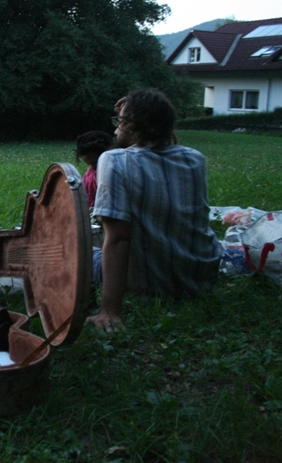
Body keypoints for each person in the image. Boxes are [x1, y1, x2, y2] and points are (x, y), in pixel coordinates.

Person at [87, 89, 222, 333]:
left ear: (133, 126)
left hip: (149, 282)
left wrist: (109, 311)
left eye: (120, 121)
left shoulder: (114, 160)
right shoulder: (195, 159)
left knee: (72, 248)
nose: (116, 128)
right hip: (199, 278)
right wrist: (136, 107)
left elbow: (118, 239)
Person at [74, 130, 114, 208]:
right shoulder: (90, 174)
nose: (92, 167)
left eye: (95, 163)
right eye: (89, 164)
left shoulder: (109, 176)